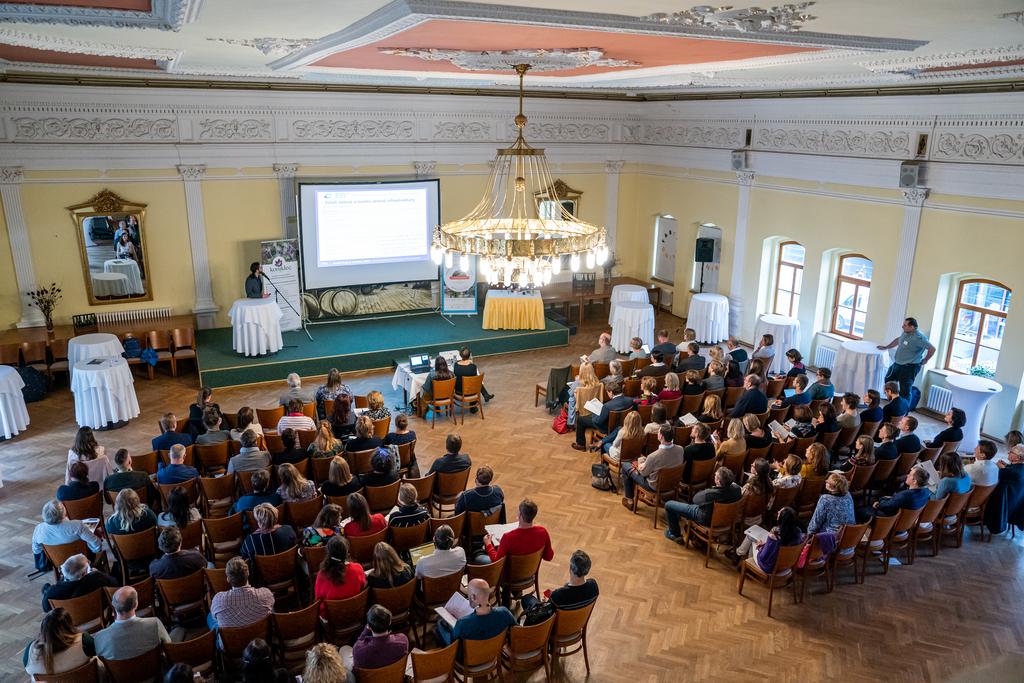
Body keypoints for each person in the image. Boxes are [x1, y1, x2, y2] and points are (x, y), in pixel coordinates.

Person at [664, 467, 742, 542]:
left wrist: (711, 489)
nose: (714, 475)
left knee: (668, 504)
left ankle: (674, 534)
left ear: (718, 481)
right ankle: (678, 519)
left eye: (715, 475)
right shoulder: (737, 490)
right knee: (682, 506)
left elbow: (695, 499)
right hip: (725, 520)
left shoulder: (711, 494)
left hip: (705, 518)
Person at [93, 586, 170, 660]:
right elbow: (169, 648)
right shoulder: (154, 624)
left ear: (113, 605)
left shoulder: (99, 638)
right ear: (136, 605)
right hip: (157, 671)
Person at [620, 424, 686, 508]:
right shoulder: (681, 449)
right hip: (672, 483)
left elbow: (643, 473)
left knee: (626, 466)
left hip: (654, 486)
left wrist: (639, 465)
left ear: (661, 436)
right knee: (641, 460)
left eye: (658, 432)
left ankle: (629, 500)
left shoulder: (654, 456)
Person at [436, 578, 516, 647]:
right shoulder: (504, 612)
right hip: (494, 652)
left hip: (468, 660)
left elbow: (453, 642)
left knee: (440, 624)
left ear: (473, 597)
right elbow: (516, 629)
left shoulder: (462, 623)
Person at [23, 608, 96, 680]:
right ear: (69, 626)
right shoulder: (84, 641)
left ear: (43, 631)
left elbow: (28, 670)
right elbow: (99, 652)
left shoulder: (30, 652)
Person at [521, 549, 599, 614]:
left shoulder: (558, 595)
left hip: (556, 628)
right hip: (578, 623)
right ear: (587, 570)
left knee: (526, 598)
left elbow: (547, 613)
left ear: (571, 569)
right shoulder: (593, 586)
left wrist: (546, 602)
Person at [209, 556, 275, 629]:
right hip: (260, 636)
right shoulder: (266, 594)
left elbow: (215, 618)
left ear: (228, 579)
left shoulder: (218, 601)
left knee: (210, 616)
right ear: (248, 573)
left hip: (232, 639)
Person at [32, 500, 102, 568]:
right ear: (63, 512)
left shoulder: (39, 529)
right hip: (82, 559)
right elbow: (96, 545)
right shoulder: (78, 525)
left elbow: (36, 550)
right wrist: (95, 551)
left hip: (57, 562)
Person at [878, 317, 935, 399]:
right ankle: (894, 401)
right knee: (888, 380)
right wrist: (886, 347)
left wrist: (926, 360)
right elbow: (898, 340)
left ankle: (903, 410)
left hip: (909, 367)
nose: (902, 326)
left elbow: (932, 349)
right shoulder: (905, 332)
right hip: (898, 363)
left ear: (912, 327)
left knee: (905, 390)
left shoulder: (920, 338)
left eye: (905, 325)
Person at [483, 498, 554, 563]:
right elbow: (549, 557)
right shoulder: (543, 532)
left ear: (520, 515)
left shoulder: (508, 537)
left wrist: (488, 543)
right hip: (530, 571)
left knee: (479, 556)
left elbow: (496, 561)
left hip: (509, 574)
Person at [733, 506, 803, 572]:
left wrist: (760, 547)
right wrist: (766, 544)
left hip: (768, 566)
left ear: (782, 519)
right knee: (753, 538)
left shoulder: (775, 534)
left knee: (751, 538)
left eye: (780, 512)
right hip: (786, 566)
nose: (778, 512)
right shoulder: (798, 532)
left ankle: (742, 559)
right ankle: (740, 557)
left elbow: (763, 556)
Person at [343, 604, 409, 673]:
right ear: (389, 622)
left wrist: (368, 627)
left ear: (369, 627)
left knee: (344, 648)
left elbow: (359, 642)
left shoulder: (359, 651)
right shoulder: (403, 641)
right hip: (393, 677)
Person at [41, 553, 117, 612]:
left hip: (70, 621)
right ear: (84, 574)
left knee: (46, 587)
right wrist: (98, 573)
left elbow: (46, 608)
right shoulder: (97, 578)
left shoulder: (53, 592)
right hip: (97, 613)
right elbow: (115, 584)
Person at [573, 380, 633, 452]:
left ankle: (581, 445)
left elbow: (598, 422)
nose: (608, 394)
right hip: (622, 425)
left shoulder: (607, 406)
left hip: (608, 427)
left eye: (607, 392)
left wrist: (595, 412)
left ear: (611, 392)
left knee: (581, 419)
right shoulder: (630, 400)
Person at [314, 536, 367, 614]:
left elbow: (318, 601)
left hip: (331, 617)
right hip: (356, 612)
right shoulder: (358, 568)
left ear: (328, 553)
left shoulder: (322, 575)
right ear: (347, 551)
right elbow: (363, 588)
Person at [858, 468, 930, 522]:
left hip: (890, 521)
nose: (907, 475)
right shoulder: (926, 492)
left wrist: (879, 502)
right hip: (906, 522)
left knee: (860, 510)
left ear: (914, 481)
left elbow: (885, 506)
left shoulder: (904, 496)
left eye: (910, 475)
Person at [987, 447, 1024, 535]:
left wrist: (1001, 468)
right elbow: (1014, 471)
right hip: (1016, 504)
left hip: (1002, 506)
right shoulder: (1020, 468)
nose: (1008, 453)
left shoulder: (1010, 472)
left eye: (1011, 452)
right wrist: (1006, 466)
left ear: (1018, 458)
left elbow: (993, 474)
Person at [568, 362, 602, 428]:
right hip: (592, 404)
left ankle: (570, 422)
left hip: (581, 406)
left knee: (567, 394)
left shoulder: (578, 383)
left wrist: (576, 381)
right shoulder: (597, 382)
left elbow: (570, 393)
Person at [741, 459, 773, 527]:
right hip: (758, 516)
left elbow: (740, 501)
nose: (751, 465)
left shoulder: (750, 487)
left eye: (753, 465)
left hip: (745, 517)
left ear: (756, 471)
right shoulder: (770, 484)